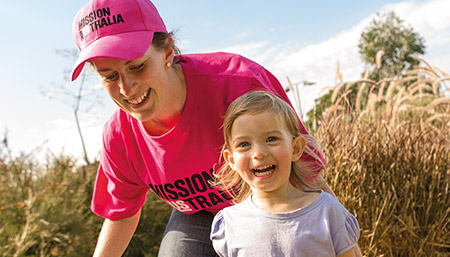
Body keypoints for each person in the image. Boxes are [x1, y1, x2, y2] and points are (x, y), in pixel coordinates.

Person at [70, 0, 333, 256]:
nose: (126, 88)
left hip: (271, 202)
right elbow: (122, 216)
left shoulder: (240, 86)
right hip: (201, 217)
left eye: (137, 66)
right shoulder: (119, 137)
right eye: (110, 76)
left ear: (168, 52)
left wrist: (340, 239)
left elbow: (306, 174)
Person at [210, 91, 360, 257]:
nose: (258, 153)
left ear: (296, 148)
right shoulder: (230, 224)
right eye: (244, 144)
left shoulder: (326, 211)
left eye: (271, 139)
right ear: (231, 159)